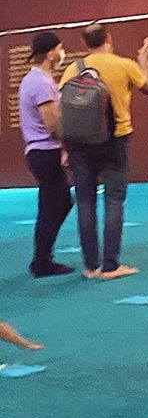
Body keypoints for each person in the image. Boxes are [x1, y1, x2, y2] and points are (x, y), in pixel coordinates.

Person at [59, 23, 148, 280]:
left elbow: (63, 111)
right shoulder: (123, 65)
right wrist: (143, 60)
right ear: (108, 39)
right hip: (115, 140)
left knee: (85, 202)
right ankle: (111, 265)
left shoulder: (73, 68)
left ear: (84, 43)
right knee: (114, 200)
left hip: (80, 143)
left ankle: (91, 267)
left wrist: (65, 148)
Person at [17, 31, 74, 278]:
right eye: (60, 49)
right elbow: (52, 123)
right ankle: (41, 260)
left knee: (57, 203)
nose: (62, 54)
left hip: (39, 152)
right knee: (54, 205)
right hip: (45, 151)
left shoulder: (33, 79)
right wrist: (66, 147)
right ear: (51, 53)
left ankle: (43, 257)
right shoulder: (41, 82)